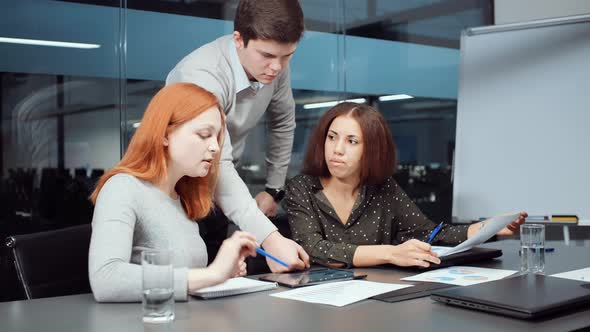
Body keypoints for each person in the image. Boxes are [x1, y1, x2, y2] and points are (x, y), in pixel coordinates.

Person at [283, 102, 527, 268]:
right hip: (318, 302)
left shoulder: (383, 188)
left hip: (377, 299)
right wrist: (391, 253)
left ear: (372, 150)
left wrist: (491, 228)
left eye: (352, 141)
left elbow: (431, 234)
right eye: (332, 137)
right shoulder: (302, 188)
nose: (336, 149)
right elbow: (314, 248)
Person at [166, 0, 309, 272]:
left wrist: (273, 189)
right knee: (181, 280)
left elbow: (282, 122)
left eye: (287, 56)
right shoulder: (202, 75)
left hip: (220, 190)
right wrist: (272, 239)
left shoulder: (275, 64)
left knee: (218, 288)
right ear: (239, 40)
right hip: (175, 191)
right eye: (267, 55)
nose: (277, 67)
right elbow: (218, 161)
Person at [88, 83, 258, 302]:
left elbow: (185, 278)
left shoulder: (181, 198)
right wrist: (210, 275)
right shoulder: (122, 188)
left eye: (217, 137)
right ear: (165, 134)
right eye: (204, 134)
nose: (215, 147)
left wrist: (221, 275)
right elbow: (106, 280)